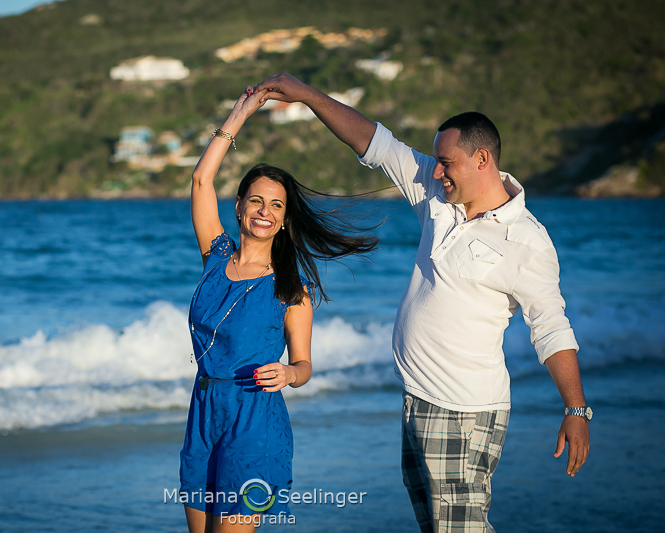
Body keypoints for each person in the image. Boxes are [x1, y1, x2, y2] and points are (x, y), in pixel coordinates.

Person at [253, 73, 591, 532]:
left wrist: (575, 409)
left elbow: (550, 326)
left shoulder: (526, 240)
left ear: (482, 159)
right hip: (418, 400)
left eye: (446, 162)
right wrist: (308, 96)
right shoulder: (438, 195)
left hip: (464, 412)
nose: (436, 171)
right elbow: (373, 142)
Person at [180, 86, 379, 533]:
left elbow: (304, 365)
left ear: (285, 219)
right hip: (204, 413)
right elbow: (201, 181)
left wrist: (290, 373)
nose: (264, 211)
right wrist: (239, 114)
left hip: (255, 424)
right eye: (256, 200)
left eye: (276, 205)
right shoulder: (215, 257)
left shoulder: (292, 289)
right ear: (239, 206)